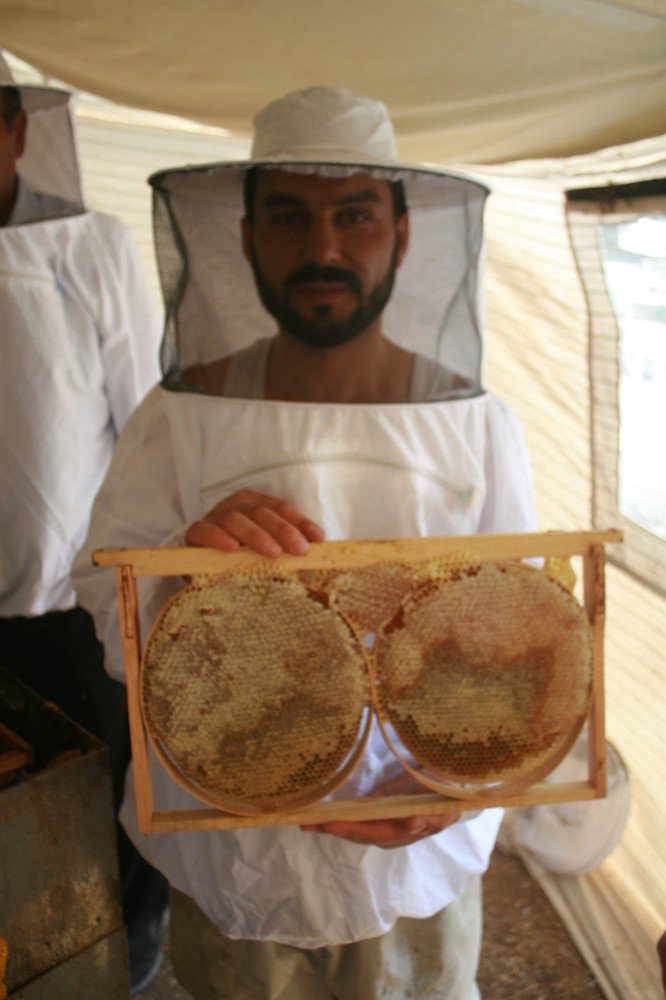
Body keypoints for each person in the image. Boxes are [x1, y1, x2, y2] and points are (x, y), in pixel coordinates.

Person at [73, 86, 537, 998]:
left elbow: (522, 635)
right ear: (245, 237)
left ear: (402, 234)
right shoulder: (177, 413)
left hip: (415, 865)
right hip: (230, 847)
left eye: (354, 215)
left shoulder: (478, 423)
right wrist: (179, 570)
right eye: (288, 216)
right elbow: (106, 602)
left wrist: (462, 782)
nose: (323, 249)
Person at [0, 55, 169, 995]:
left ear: (17, 129)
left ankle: (129, 957)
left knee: (113, 794)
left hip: (75, 605)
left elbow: (144, 425)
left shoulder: (88, 248)